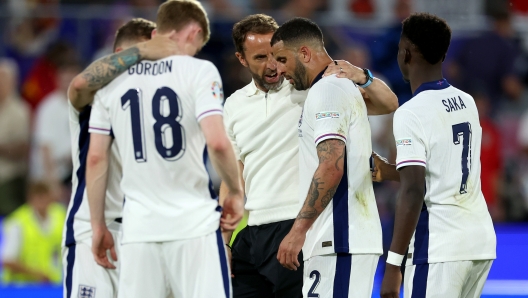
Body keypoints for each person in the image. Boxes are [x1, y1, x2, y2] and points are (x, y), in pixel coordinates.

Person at [223, 14, 397, 297]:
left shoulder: (310, 87)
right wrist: (225, 242)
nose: (273, 66)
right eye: (260, 57)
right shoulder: (234, 105)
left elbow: (388, 103)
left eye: (277, 57)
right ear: (242, 59)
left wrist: (363, 76)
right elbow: (234, 179)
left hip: (297, 224)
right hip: (253, 232)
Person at [86, 1, 244, 297]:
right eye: (196, 45)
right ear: (194, 33)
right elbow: (219, 142)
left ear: (158, 30)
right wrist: (235, 191)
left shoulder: (111, 82)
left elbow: (95, 159)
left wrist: (98, 226)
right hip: (193, 226)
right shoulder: (200, 70)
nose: (194, 52)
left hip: (138, 229)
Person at [374, 13, 496, 298]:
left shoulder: (410, 112)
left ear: (406, 54)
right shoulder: (467, 101)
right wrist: (390, 171)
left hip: (440, 246)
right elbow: (446, 171)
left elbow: (414, 189)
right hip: (479, 242)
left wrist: (393, 265)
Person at [62, 18, 180, 298]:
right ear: (118, 55)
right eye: (137, 56)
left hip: (146, 237)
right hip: (91, 230)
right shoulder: (94, 96)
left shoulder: (163, 104)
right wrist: (142, 51)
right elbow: (79, 84)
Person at [1, 181, 65, 284]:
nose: (42, 201)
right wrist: (36, 274)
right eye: (38, 197)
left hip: (54, 284)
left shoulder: (60, 215)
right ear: (30, 199)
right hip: (22, 287)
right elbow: (8, 260)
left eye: (44, 196)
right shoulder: (18, 222)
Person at [0, 59, 31, 216]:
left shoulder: (20, 111)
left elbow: (22, 149)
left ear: (12, 82)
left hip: (10, 178)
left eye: (3, 79)